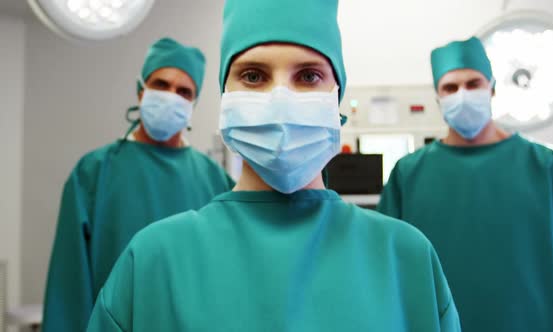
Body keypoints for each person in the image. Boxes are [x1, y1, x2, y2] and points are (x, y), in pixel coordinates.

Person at [85, 0, 461, 331]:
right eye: (253, 75)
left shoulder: (406, 260)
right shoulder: (152, 262)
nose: (280, 98)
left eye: (308, 76)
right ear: (225, 95)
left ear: (337, 98)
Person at [378, 36, 553, 332]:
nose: (462, 94)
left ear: (492, 88)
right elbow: (386, 272)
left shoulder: (551, 169)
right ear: (438, 98)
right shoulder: (408, 174)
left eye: (473, 84)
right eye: (450, 87)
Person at [42, 37, 235, 332]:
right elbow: (69, 288)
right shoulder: (94, 173)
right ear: (140, 89)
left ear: (193, 104)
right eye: (161, 84)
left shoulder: (215, 179)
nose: (171, 96)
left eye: (184, 91)